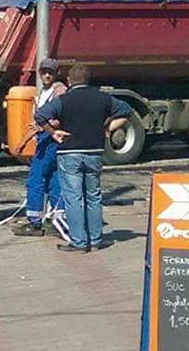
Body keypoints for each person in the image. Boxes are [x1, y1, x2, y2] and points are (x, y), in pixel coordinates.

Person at [35, 64, 134, 253]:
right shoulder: (103, 98)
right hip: (94, 152)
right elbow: (126, 111)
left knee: (74, 198)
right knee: (94, 196)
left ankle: (79, 242)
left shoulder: (63, 100)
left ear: (70, 81)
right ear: (89, 80)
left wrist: (53, 132)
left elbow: (40, 115)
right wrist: (108, 128)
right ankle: (96, 240)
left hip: (69, 153)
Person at [11, 60, 70, 239]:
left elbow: (56, 119)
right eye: (44, 72)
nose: (46, 76)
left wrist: (23, 142)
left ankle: (34, 222)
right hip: (47, 139)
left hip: (50, 139)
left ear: (56, 73)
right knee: (54, 180)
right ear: (39, 72)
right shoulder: (41, 93)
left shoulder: (59, 91)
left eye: (50, 73)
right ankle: (59, 221)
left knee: (35, 179)